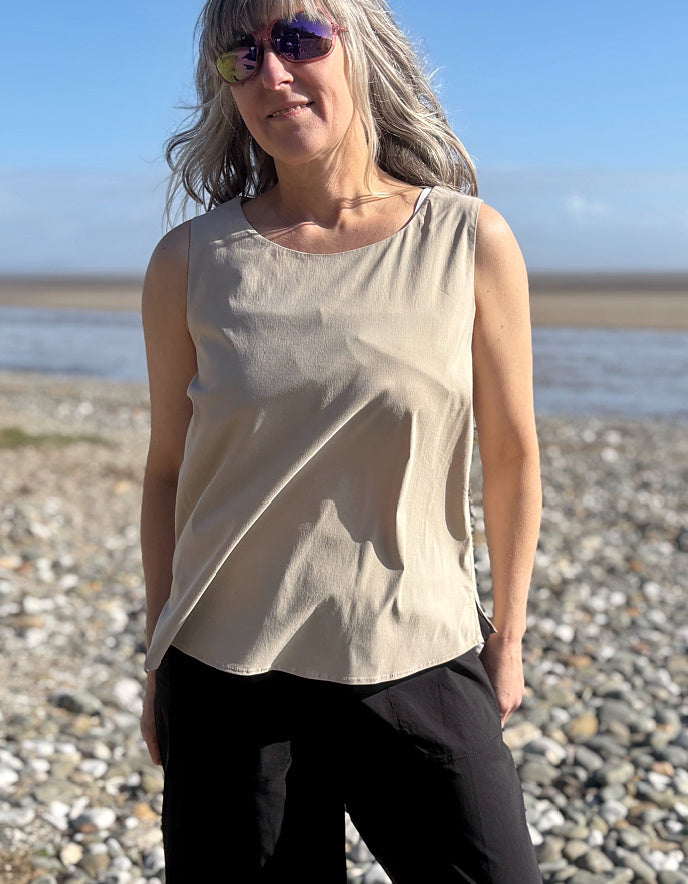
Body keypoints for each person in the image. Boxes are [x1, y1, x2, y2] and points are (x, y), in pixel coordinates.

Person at [139, 0, 543, 880]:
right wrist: (157, 651)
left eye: (297, 40)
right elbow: (168, 470)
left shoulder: (467, 239)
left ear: (365, 49)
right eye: (240, 57)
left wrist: (506, 638)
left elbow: (512, 455)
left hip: (417, 653)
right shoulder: (189, 262)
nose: (271, 74)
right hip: (227, 672)